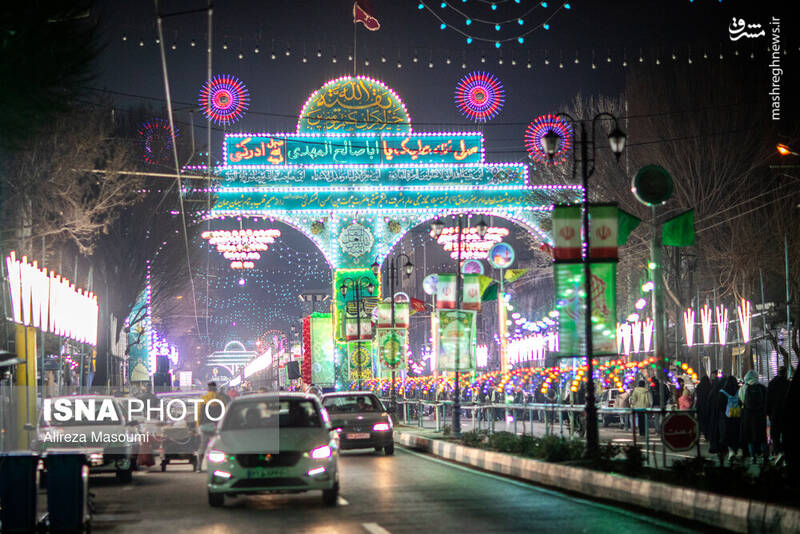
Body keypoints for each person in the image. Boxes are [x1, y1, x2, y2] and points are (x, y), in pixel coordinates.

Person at [740, 370, 768, 464]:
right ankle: (765, 454)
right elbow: (766, 401)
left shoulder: (743, 388)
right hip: (760, 415)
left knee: (750, 436)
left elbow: (741, 401)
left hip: (748, 415)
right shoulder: (762, 388)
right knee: (762, 436)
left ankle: (752, 456)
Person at [718, 375, 743, 465]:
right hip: (737, 416)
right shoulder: (738, 390)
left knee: (727, 434)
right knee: (736, 434)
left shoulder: (722, 392)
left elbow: (720, 405)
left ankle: (730, 451)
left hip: (727, 417)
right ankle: (738, 450)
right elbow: (741, 403)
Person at [767, 366, 790, 457]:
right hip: (786, 413)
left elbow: (768, 399)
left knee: (775, 433)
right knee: (785, 433)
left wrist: (768, 412)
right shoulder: (788, 384)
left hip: (775, 412)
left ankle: (777, 451)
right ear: (785, 373)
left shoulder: (772, 383)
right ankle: (784, 451)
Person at [706, 376, 726, 455]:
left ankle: (714, 447)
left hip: (713, 416)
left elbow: (708, 405)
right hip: (721, 416)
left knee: (714, 431)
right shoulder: (722, 392)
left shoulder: (712, 393)